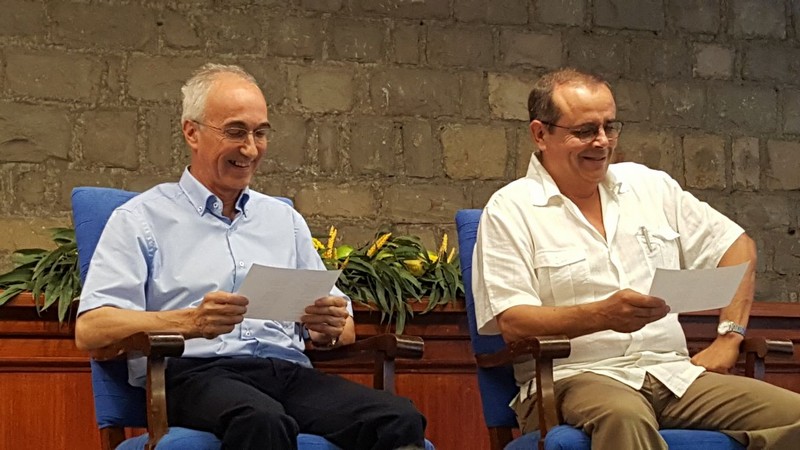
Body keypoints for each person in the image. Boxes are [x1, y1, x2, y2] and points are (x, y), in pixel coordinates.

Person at [75, 63, 427, 450]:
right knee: (262, 421)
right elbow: (92, 329)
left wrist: (326, 326)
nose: (250, 148)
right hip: (195, 373)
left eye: (261, 133)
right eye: (236, 132)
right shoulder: (141, 219)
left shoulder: (283, 220)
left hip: (287, 371)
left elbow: (342, 328)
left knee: (399, 419)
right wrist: (191, 321)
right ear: (191, 132)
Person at [472, 67, 800, 449]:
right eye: (584, 131)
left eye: (609, 127)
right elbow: (513, 322)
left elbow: (737, 245)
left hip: (674, 374)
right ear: (540, 134)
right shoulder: (511, 209)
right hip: (575, 377)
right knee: (623, 415)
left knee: (792, 413)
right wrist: (601, 316)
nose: (602, 142)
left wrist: (729, 337)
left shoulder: (649, 187)